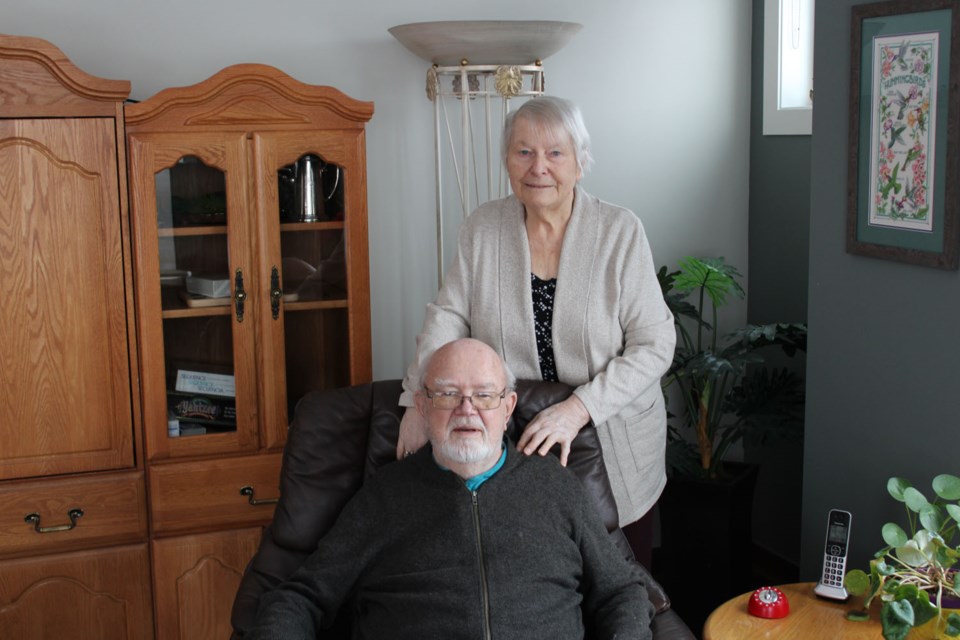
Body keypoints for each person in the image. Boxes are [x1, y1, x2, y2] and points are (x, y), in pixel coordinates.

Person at [396, 96, 676, 568]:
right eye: (524, 152)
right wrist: (416, 402)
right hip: (519, 432)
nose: (538, 167)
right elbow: (448, 317)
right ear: (507, 161)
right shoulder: (483, 228)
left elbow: (655, 345)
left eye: (555, 153)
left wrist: (578, 409)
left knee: (621, 577)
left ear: (580, 162)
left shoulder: (620, 232)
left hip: (611, 434)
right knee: (529, 570)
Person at [245, 338, 655, 640]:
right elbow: (302, 596)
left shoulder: (554, 486)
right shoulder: (384, 496)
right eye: (447, 394)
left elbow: (622, 591)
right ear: (421, 406)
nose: (467, 409)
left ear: (508, 406)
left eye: (483, 395)